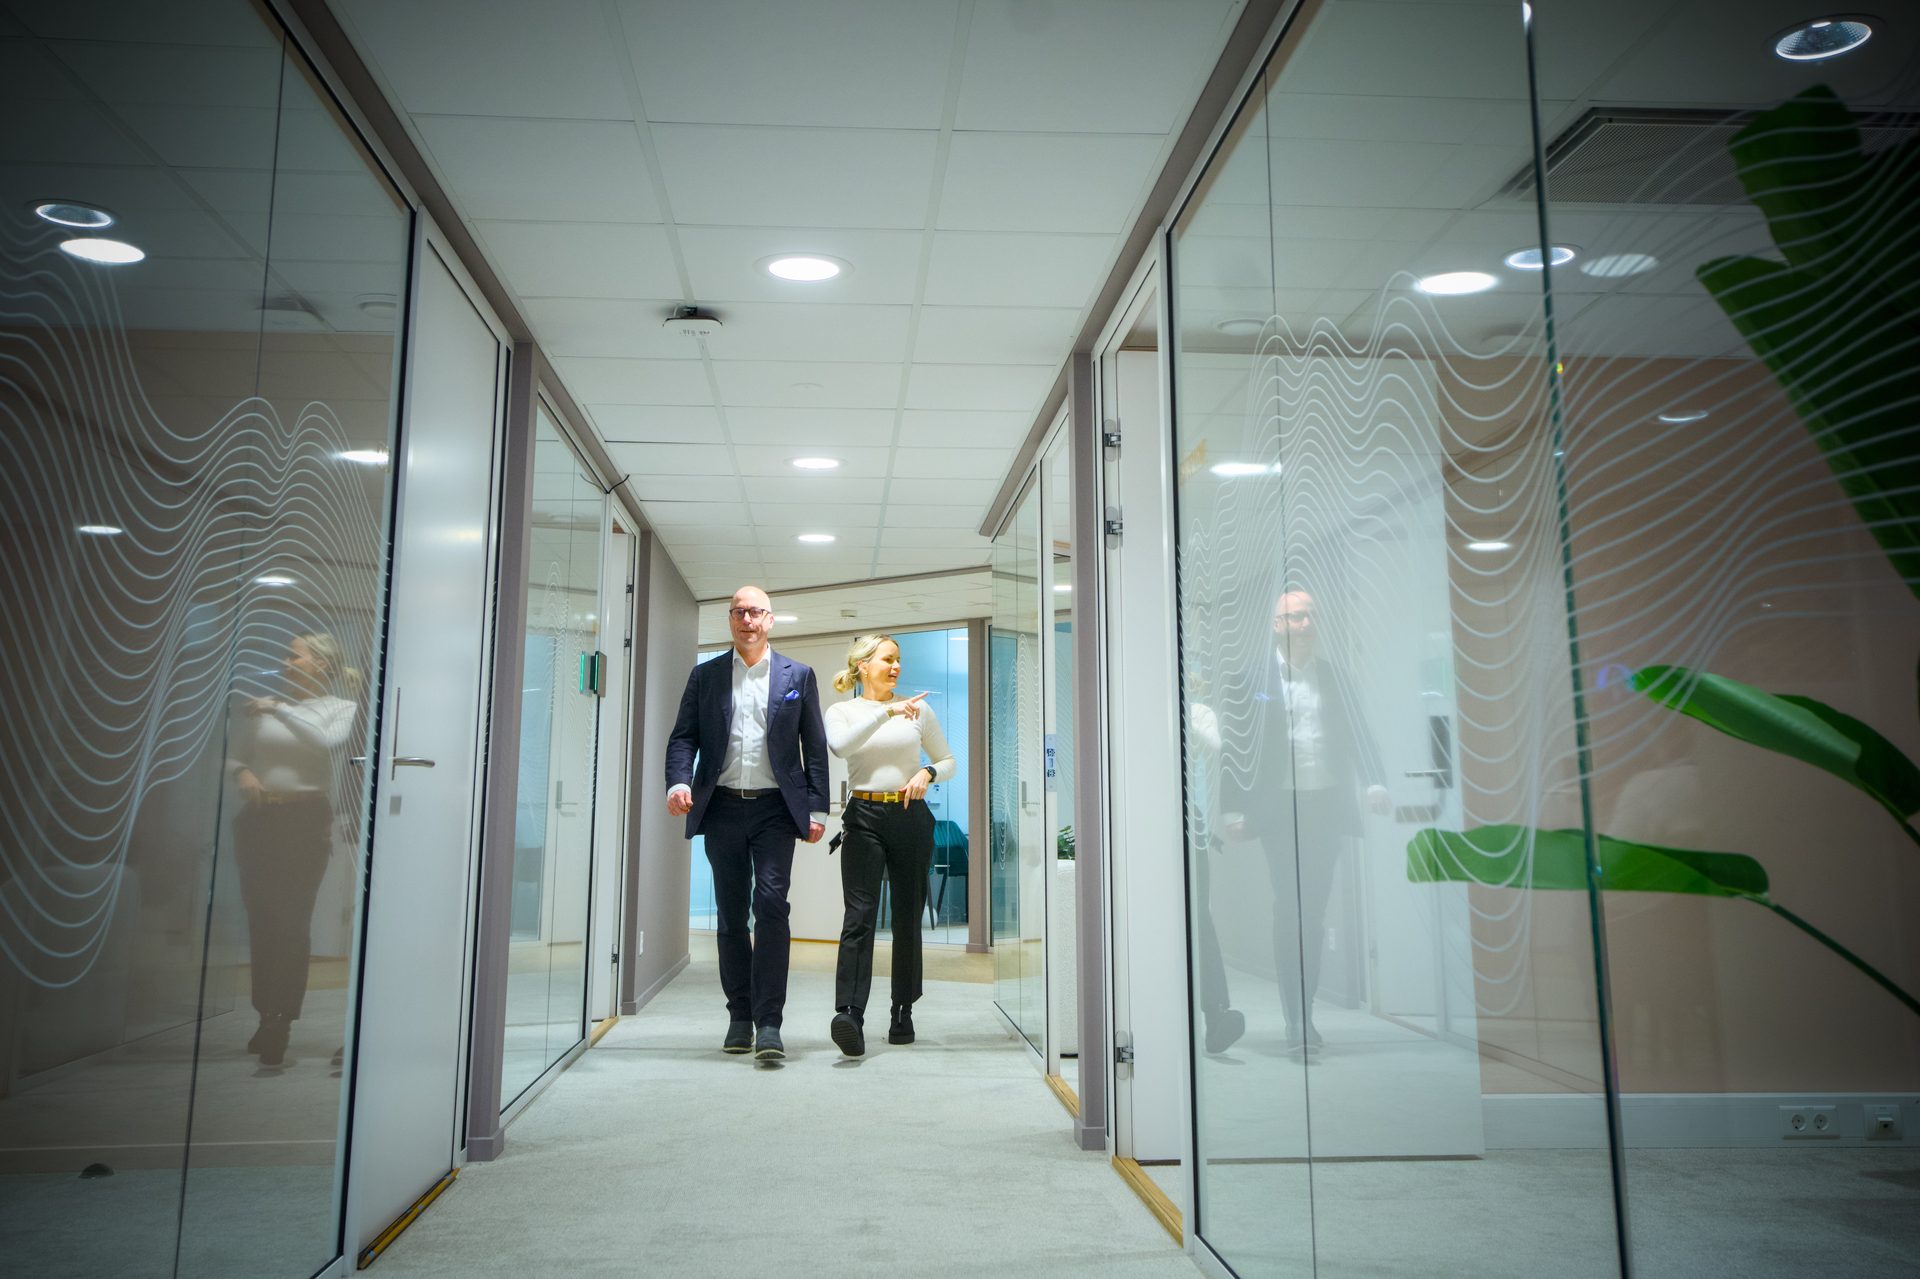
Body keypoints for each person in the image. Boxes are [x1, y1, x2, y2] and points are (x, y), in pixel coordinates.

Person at [1223, 590, 1390, 1053]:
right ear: (1277, 625)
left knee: (1312, 913)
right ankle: (1295, 1017)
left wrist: (1374, 781)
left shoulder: (1334, 677)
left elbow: (1358, 732)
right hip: (1278, 810)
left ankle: (1305, 1012)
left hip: (1325, 807)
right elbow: (1236, 748)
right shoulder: (1250, 679)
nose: (1306, 623)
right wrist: (1233, 809)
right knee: (1290, 907)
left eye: (1311, 615)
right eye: (1296, 616)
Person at [665, 586, 828, 1061]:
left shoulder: (798, 675)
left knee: (772, 906)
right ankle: (740, 1016)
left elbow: (814, 746)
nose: (747, 620)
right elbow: (684, 737)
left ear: (770, 620)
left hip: (776, 810)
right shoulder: (707, 675)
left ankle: (770, 1022)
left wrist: (817, 808)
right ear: (731, 620)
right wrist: (679, 782)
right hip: (721, 808)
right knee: (732, 914)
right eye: (739, 612)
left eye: (756, 612)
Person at [227, 633, 358, 1067]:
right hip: (258, 820)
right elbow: (234, 754)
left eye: (294, 655)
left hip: (304, 821)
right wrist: (243, 772)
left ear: (321, 665)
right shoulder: (266, 710)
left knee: (291, 920)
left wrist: (278, 709)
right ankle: (266, 1015)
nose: (286, 661)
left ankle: (281, 1019)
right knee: (262, 918)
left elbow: (326, 742)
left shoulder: (341, 708)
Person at [822, 635, 955, 1058]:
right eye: (887, 659)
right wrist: (887, 712)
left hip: (910, 816)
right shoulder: (843, 711)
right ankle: (850, 1014)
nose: (896, 666)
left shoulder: (919, 709)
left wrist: (928, 773)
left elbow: (948, 760)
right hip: (863, 816)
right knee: (858, 916)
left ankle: (902, 1010)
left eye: (899, 660)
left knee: (907, 917)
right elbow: (840, 747)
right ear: (863, 665)